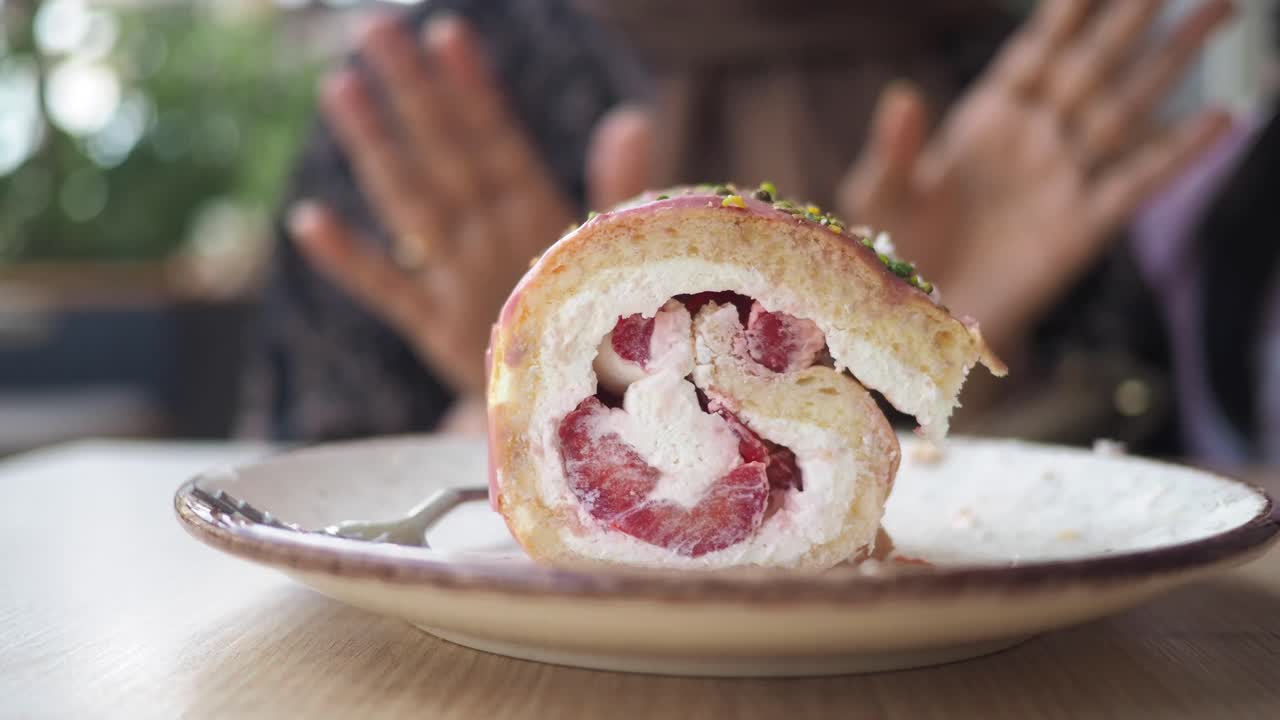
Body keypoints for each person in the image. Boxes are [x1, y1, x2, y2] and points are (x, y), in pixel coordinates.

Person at [238, 0, 1237, 459]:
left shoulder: (1008, 87)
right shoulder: (445, 95)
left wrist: (946, 363)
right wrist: (528, 396)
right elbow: (305, 494)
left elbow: (1150, 478)